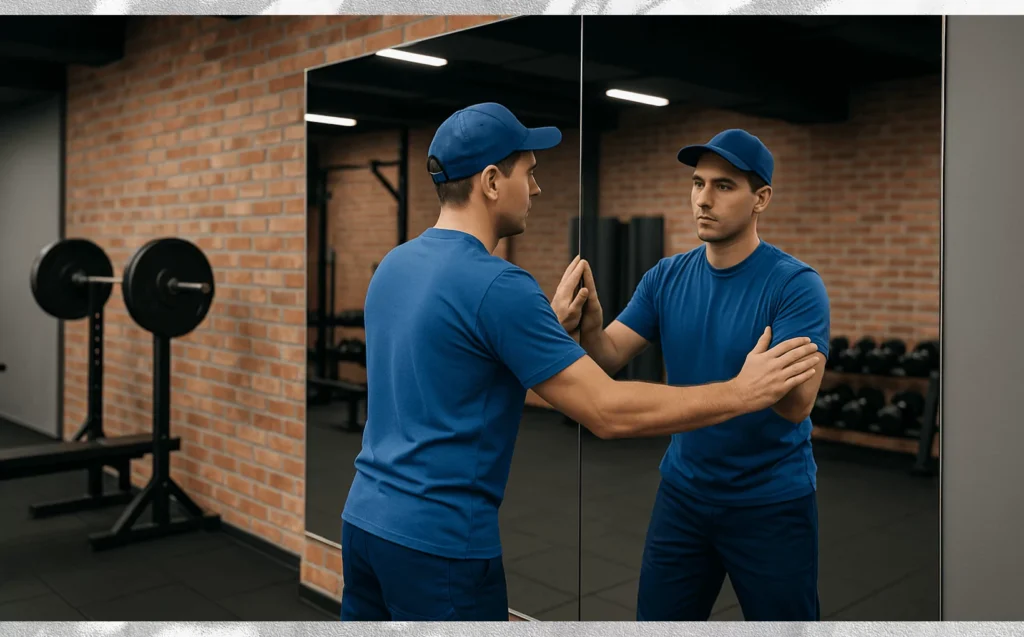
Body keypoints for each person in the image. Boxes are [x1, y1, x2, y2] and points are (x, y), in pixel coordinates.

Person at [338, 106, 822, 622]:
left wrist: (555, 327)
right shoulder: (503, 286)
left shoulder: (394, 264)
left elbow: (455, 354)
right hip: (441, 539)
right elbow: (606, 409)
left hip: (364, 519)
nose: (539, 188)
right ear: (493, 182)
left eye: (721, 186)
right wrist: (742, 392)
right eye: (531, 172)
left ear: (760, 199)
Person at [566, 128, 831, 621]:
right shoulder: (666, 276)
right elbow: (606, 360)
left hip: (770, 502)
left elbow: (798, 405)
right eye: (697, 183)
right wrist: (593, 329)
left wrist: (762, 387)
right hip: (683, 493)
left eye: (724, 186)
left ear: (761, 199)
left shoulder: (795, 286)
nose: (703, 200)